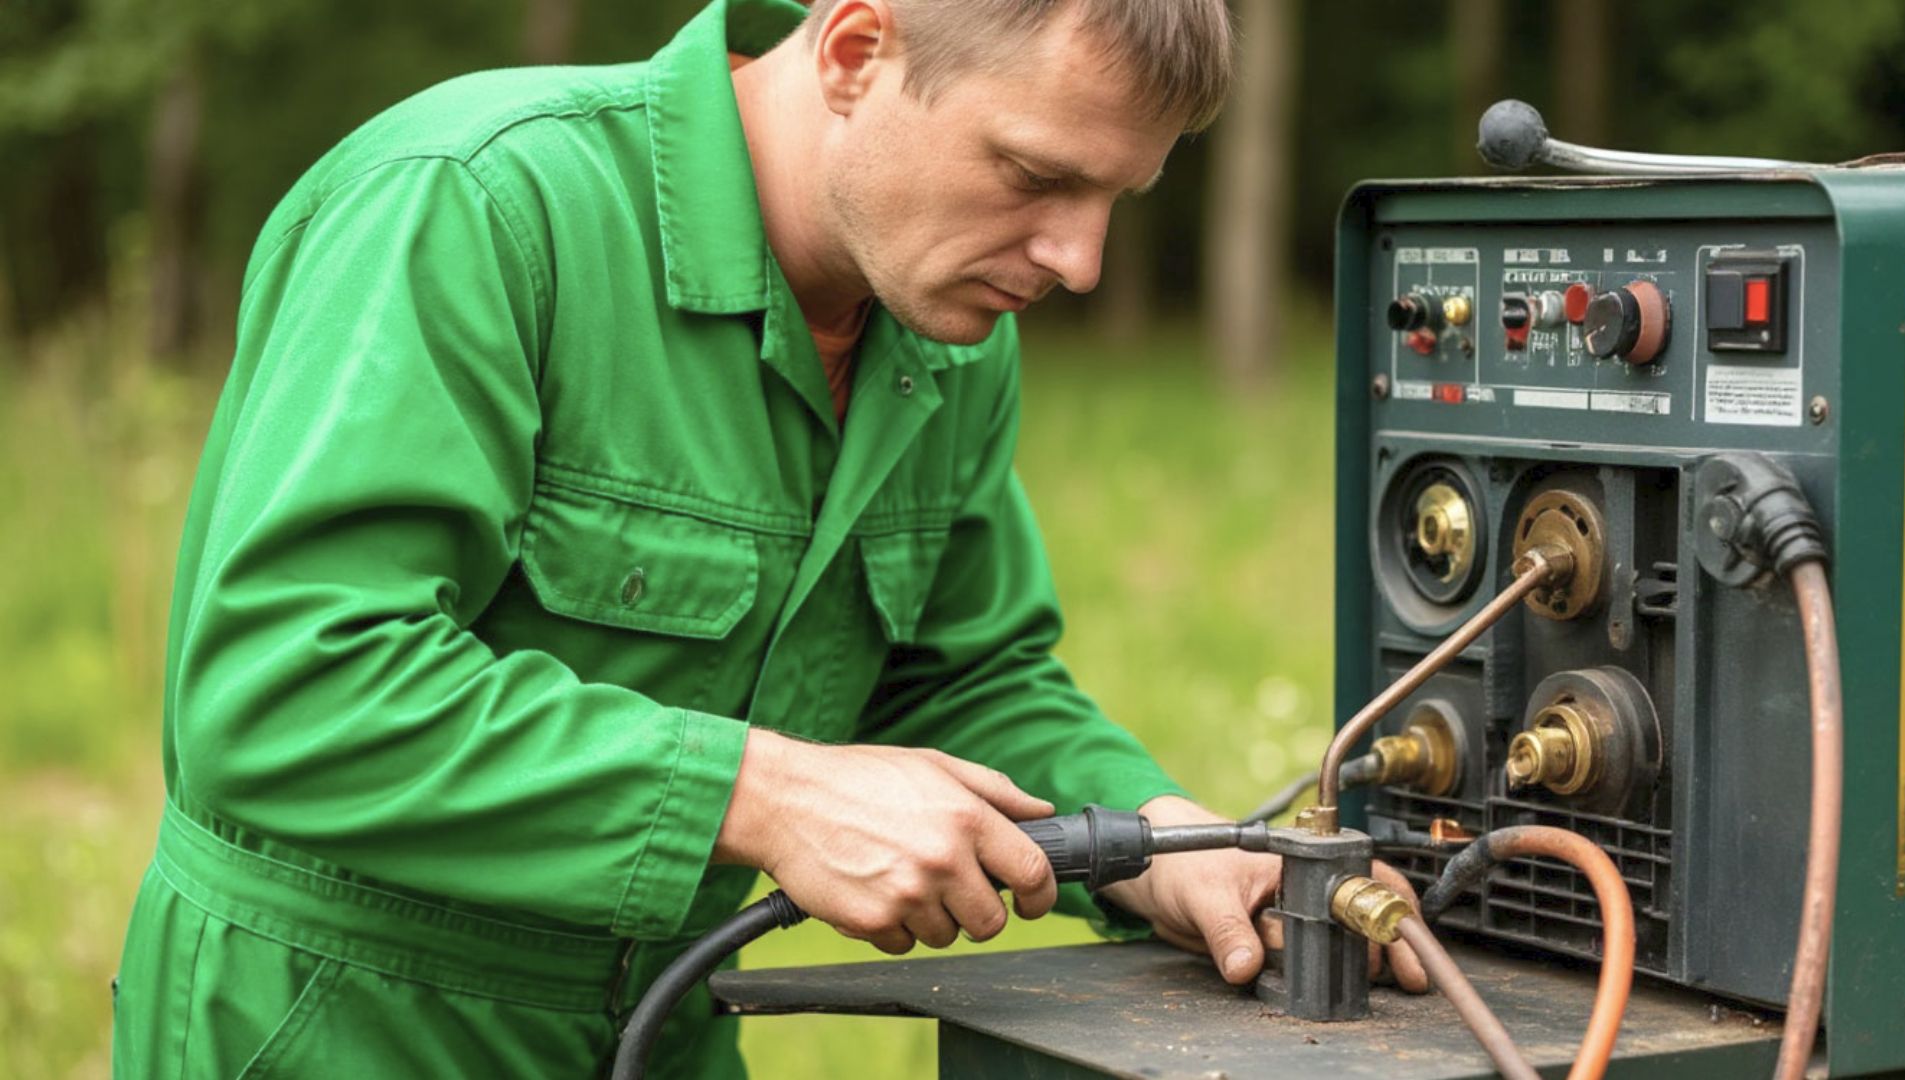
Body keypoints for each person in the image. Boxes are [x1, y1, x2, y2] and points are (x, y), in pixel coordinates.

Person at [112, 1, 1410, 1075]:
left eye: (1117, 194)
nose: (1079, 261)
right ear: (854, 52)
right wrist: (766, 796)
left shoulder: (946, 332)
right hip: (340, 1024)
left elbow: (959, 677)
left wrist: (1167, 844)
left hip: (662, 1019)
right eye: (1035, 176)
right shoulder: (479, 205)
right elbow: (286, 691)